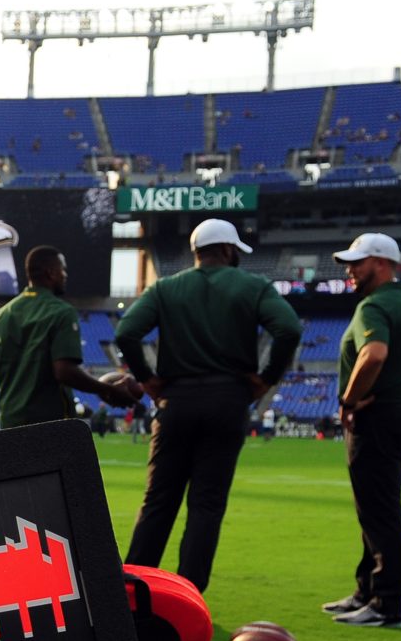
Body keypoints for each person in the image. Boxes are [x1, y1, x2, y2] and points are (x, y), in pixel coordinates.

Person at [113, 219, 303, 593]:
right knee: (206, 505)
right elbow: (289, 329)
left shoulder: (166, 288)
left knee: (158, 501)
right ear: (229, 250)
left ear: (197, 252)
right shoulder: (253, 286)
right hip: (228, 401)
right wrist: (266, 378)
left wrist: (147, 378)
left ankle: (131, 589)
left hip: (176, 402)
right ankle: (188, 595)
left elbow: (126, 332)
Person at [322, 233, 401, 629]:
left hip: (378, 419)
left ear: (383, 263)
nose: (350, 270)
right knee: (376, 509)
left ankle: (388, 604)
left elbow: (374, 354)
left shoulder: (373, 306)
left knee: (381, 512)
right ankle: (367, 591)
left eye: (359, 262)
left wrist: (353, 400)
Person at [0, 247, 141, 429]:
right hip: (50, 424)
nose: (65, 275)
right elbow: (64, 371)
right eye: (62, 269)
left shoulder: (1, 315)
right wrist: (109, 390)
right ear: (51, 273)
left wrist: (20, 358)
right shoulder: (61, 311)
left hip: (10, 422)